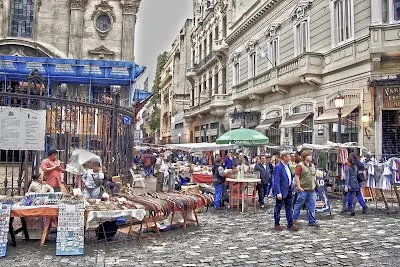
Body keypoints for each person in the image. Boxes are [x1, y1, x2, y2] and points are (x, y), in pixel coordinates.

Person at [273, 151, 299, 231]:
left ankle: (290, 224)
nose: (290, 157)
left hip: (288, 189)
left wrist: (292, 182)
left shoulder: (287, 165)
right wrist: (278, 192)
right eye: (288, 156)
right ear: (283, 157)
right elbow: (276, 180)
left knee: (289, 207)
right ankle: (277, 223)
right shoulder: (278, 167)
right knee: (278, 207)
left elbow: (289, 176)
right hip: (281, 191)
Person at [292, 150, 319, 227]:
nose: (310, 157)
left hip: (312, 189)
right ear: (304, 157)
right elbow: (297, 177)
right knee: (298, 205)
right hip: (303, 189)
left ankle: (312, 221)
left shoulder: (313, 165)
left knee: (312, 206)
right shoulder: (300, 166)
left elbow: (314, 176)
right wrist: (298, 187)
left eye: (310, 155)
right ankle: (294, 219)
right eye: (308, 155)